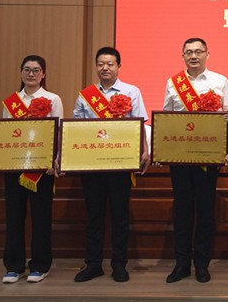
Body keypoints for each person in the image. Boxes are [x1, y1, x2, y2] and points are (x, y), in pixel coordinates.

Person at [0, 55, 63, 284]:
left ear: (43, 74)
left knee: (41, 217)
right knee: (14, 217)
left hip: (41, 169)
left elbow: (58, 133)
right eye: (27, 69)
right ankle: (14, 266)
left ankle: (40, 265)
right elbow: (5, 134)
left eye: (36, 70)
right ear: (21, 72)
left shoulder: (53, 99)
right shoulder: (11, 102)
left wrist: (55, 160)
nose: (31, 74)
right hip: (15, 167)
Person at [72, 46, 150, 283]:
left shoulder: (131, 91)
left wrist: (144, 151)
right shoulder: (86, 95)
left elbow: (139, 123)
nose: (105, 68)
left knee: (120, 215)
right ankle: (93, 264)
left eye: (110, 64)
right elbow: (76, 128)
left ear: (118, 66)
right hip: (92, 165)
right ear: (96, 67)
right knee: (94, 215)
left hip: (120, 163)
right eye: (101, 64)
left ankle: (119, 265)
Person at [163, 38, 228, 284]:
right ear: (183, 55)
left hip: (207, 157)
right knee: (182, 211)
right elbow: (166, 117)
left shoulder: (220, 81)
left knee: (205, 211)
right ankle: (181, 264)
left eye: (198, 52)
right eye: (188, 52)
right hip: (180, 156)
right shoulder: (173, 83)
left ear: (207, 54)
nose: (193, 56)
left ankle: (202, 264)